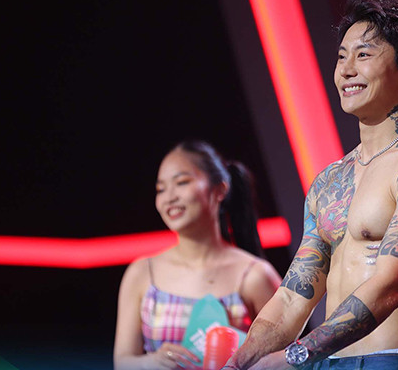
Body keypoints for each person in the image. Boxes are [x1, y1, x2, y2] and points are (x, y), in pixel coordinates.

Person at [222, 0, 398, 370]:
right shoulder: (330, 181)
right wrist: (237, 365)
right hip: (324, 361)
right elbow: (293, 297)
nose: (346, 70)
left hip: (389, 362)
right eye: (341, 56)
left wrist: (296, 356)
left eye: (363, 55)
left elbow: (390, 288)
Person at [114, 140, 282, 370]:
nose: (169, 197)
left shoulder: (254, 275)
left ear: (219, 189)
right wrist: (152, 363)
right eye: (161, 189)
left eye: (182, 182)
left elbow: (284, 361)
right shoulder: (142, 272)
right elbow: (122, 362)